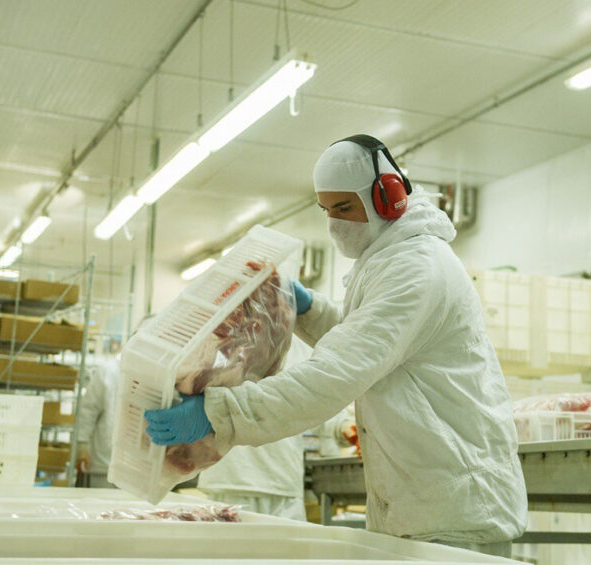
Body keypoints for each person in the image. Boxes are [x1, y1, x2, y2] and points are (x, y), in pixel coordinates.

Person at [145, 134, 528, 557]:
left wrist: (218, 413)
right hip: (430, 505)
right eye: (326, 210)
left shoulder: (416, 269)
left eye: (343, 207)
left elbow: (335, 373)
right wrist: (305, 308)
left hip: (455, 512)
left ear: (389, 197)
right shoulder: (387, 262)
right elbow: (364, 341)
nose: (333, 224)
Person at [197, 339, 355, 521]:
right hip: (229, 481)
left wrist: (344, 427)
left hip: (282, 483)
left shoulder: (302, 345)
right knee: (228, 548)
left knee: (285, 549)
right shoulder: (222, 338)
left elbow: (317, 401)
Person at [75, 356, 120, 488]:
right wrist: (81, 445)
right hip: (102, 463)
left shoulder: (155, 374)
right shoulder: (108, 371)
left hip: (137, 470)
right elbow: (88, 411)